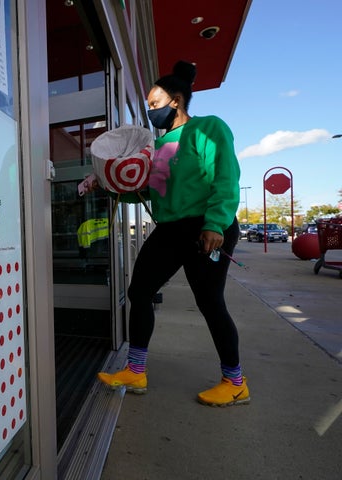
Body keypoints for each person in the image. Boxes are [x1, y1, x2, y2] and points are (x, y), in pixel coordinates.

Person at [97, 61, 250, 407]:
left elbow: (225, 177)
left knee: (210, 303)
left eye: (154, 104)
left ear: (176, 101)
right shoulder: (163, 146)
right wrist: (107, 183)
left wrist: (215, 224)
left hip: (206, 226)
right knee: (140, 291)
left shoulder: (209, 128)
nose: (151, 111)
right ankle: (136, 370)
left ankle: (236, 381)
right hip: (170, 230)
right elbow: (151, 190)